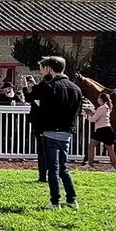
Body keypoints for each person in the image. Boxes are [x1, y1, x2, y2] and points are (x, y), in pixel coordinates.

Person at [27, 56, 83, 209]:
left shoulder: (50, 87)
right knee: (64, 167)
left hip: (51, 131)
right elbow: (78, 111)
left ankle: (55, 201)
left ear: (50, 69)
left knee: (53, 168)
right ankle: (72, 199)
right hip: (67, 132)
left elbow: (43, 109)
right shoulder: (76, 88)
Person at [84, 93, 116, 170]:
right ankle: (114, 167)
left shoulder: (101, 108)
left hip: (101, 130)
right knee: (110, 149)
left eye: (99, 98)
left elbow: (93, 119)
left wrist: (88, 115)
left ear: (101, 99)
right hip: (107, 129)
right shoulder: (107, 107)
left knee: (91, 146)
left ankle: (90, 164)